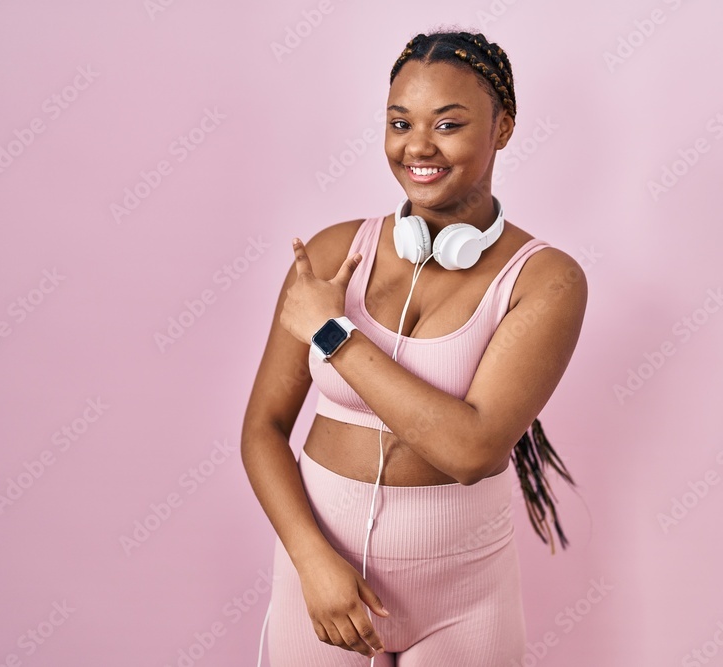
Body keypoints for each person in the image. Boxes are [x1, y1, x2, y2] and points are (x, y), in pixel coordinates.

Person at [241, 28, 587, 666]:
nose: (417, 146)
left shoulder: (546, 280)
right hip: (321, 582)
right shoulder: (330, 254)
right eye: (400, 122)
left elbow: (471, 450)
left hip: (463, 602)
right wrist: (311, 563)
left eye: (448, 124)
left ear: (502, 129)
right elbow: (262, 428)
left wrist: (333, 335)